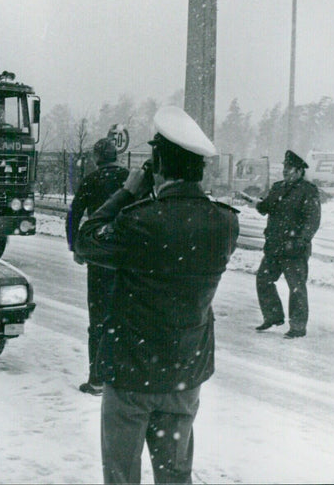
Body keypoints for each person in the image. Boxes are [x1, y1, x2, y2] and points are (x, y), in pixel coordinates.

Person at [75, 106, 239, 484]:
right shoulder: (224, 223)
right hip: (185, 373)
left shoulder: (139, 220)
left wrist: (127, 191)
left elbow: (87, 239)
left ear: (158, 163)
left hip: (133, 372)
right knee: (175, 475)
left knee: (122, 474)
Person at [66, 137, 129, 395]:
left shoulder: (91, 180)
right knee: (126, 317)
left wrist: (76, 247)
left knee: (99, 320)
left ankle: (97, 379)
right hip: (128, 257)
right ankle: (124, 376)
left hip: (100, 257)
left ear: (96, 158)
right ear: (116, 156)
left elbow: (74, 213)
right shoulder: (129, 179)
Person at [251, 149, 321, 339]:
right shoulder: (278, 187)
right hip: (274, 246)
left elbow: (312, 220)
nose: (285, 171)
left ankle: (298, 327)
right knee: (263, 280)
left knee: (296, 287)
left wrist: (301, 241)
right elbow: (266, 207)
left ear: (299, 171)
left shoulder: (308, 191)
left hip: (294, 249)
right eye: (284, 167)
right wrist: (258, 203)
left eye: (289, 168)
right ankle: (273, 316)